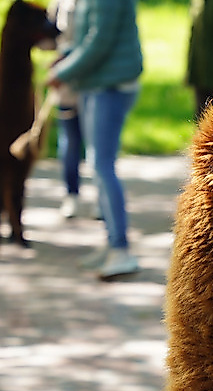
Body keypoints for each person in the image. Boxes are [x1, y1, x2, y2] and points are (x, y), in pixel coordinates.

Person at [47, 0, 143, 280]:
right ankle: (112, 243)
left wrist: (63, 72)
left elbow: (98, 42)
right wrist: (65, 56)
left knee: (102, 164)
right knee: (96, 163)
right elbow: (86, 34)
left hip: (110, 87)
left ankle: (121, 250)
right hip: (96, 84)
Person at [47, 0, 85, 218]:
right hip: (67, 84)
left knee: (98, 145)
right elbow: (53, 39)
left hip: (92, 80)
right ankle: (72, 194)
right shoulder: (59, 3)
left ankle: (102, 197)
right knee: (70, 140)